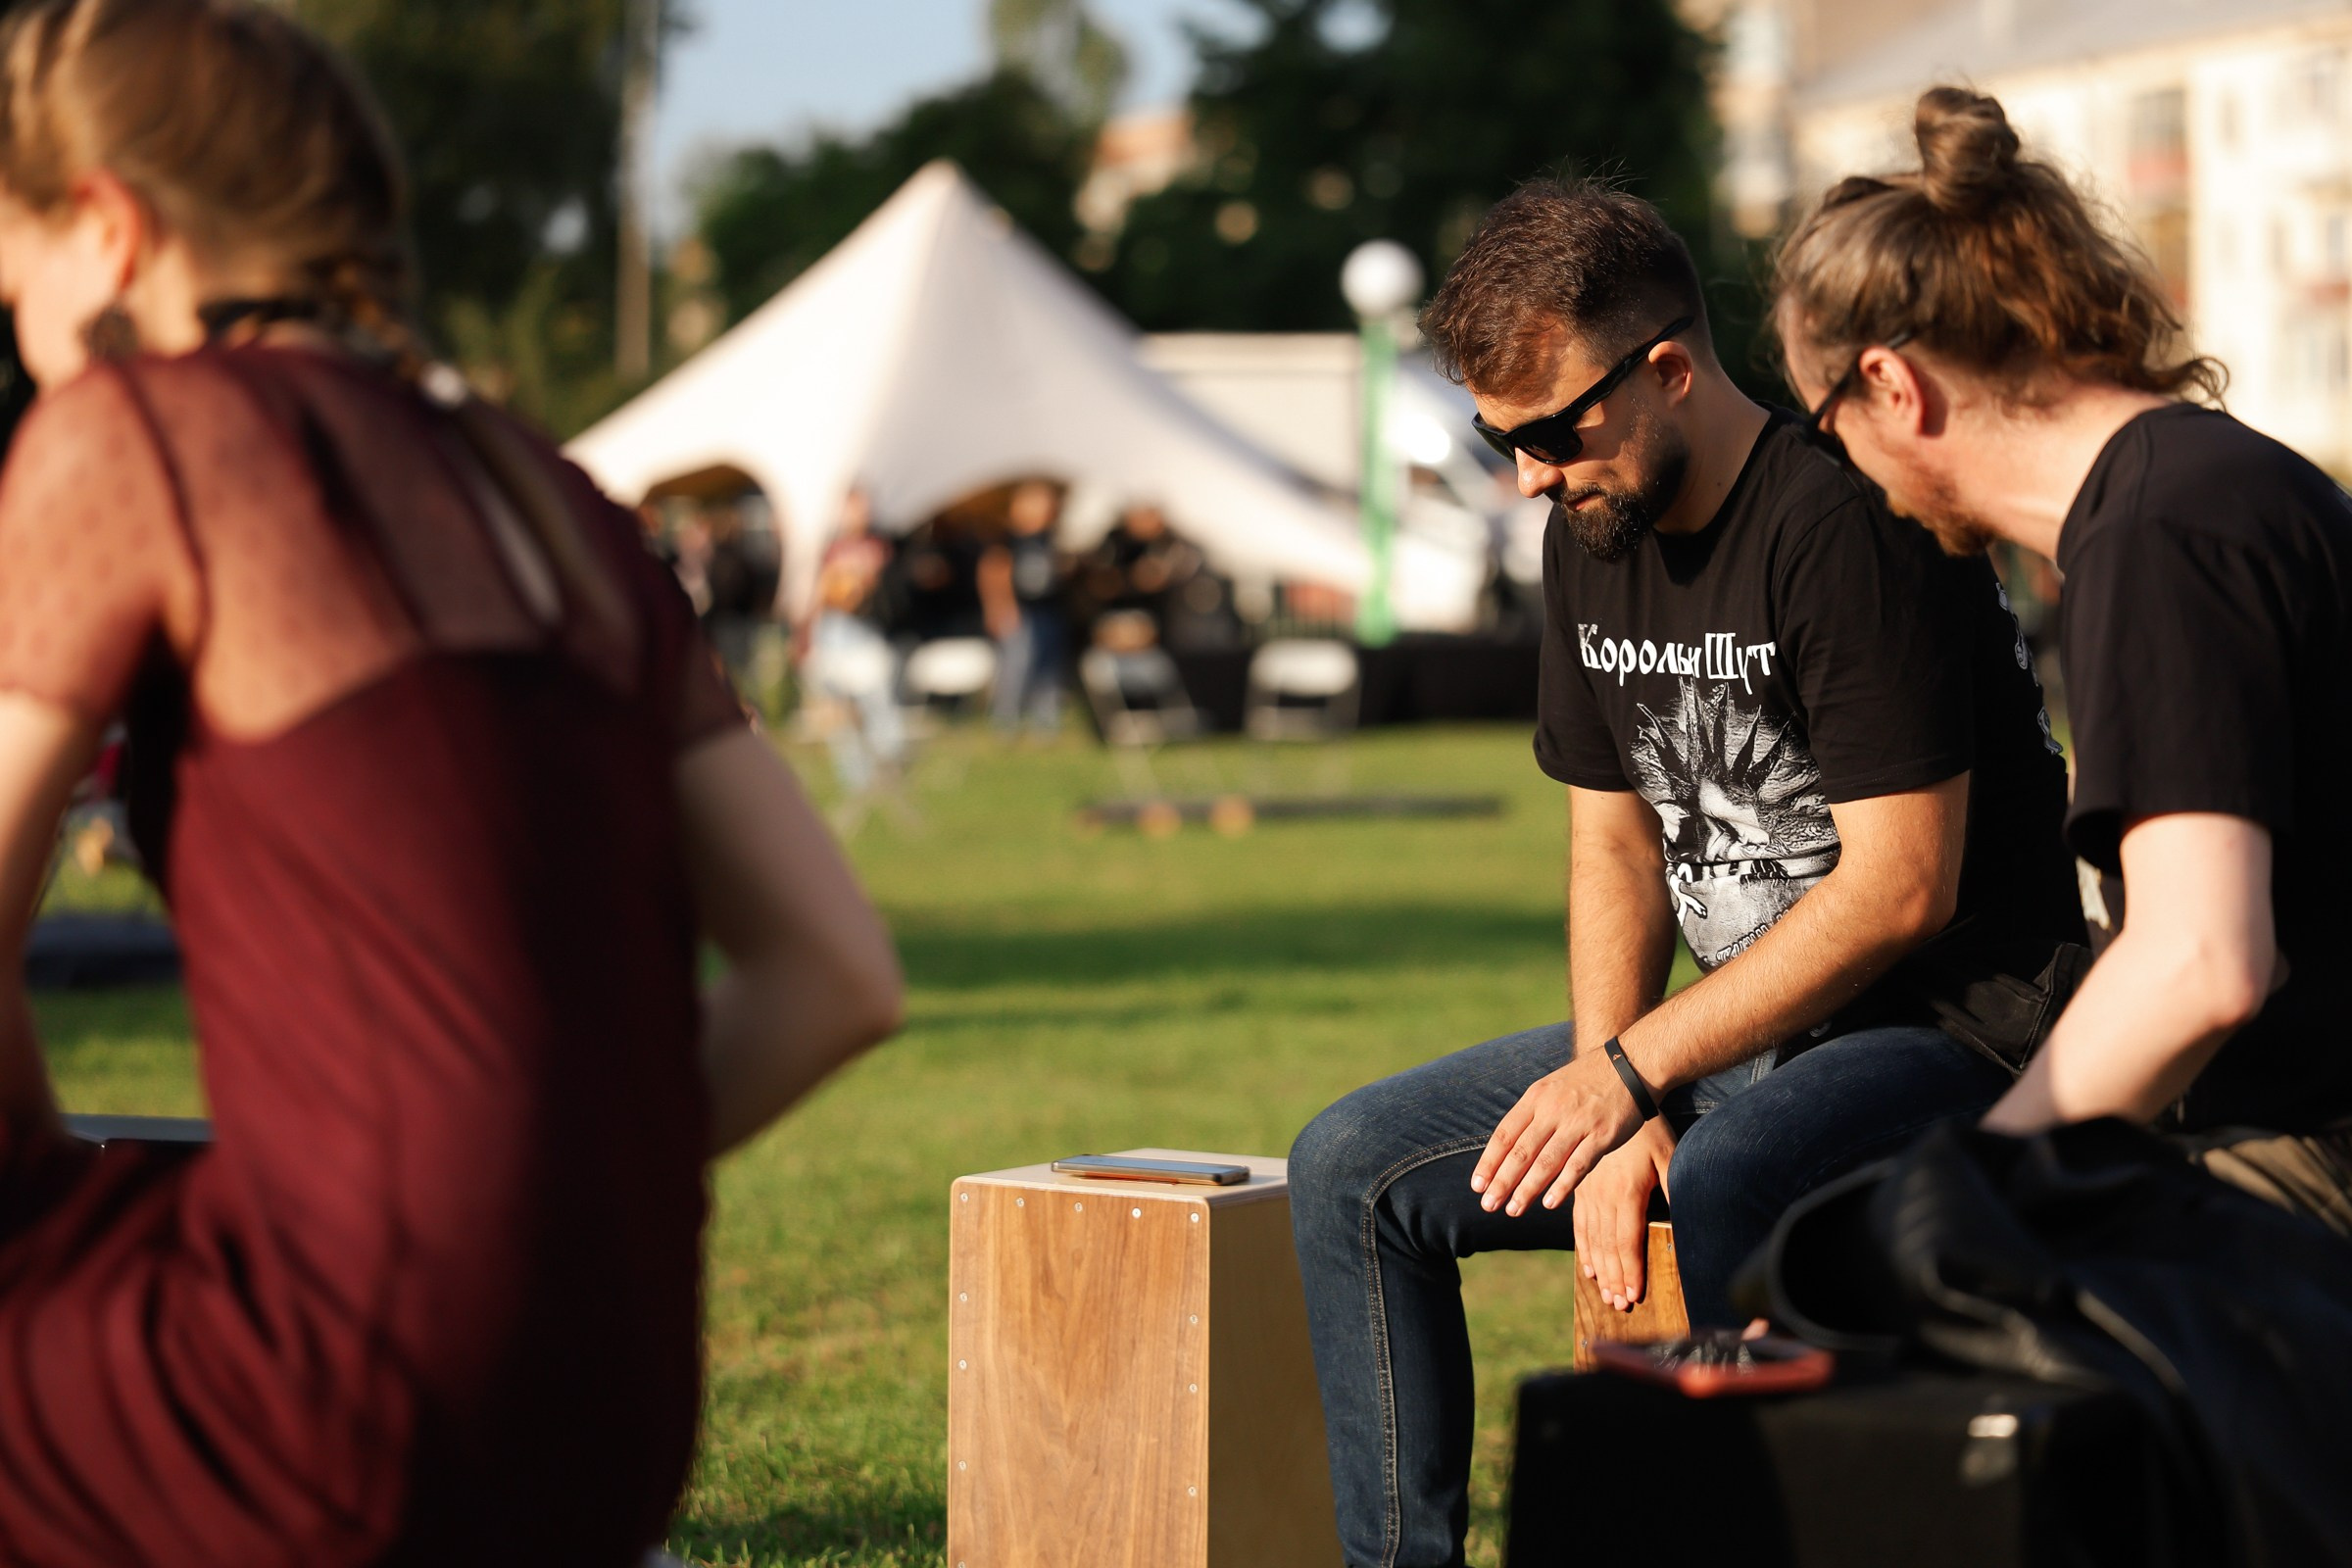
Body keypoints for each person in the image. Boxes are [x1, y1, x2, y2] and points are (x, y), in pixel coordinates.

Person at [0, 2, 903, 1564]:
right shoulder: (541, 489)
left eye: (11, 272)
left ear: (109, 225)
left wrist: (41, 1190)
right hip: (610, 1401)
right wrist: (540, 1207)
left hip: (320, 1397)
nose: (15, 322)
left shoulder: (141, 434)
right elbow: (835, 979)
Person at [1285, 178, 2084, 1568]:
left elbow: (1905, 887)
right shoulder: (1590, 528)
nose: (1527, 473)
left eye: (1548, 431)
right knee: (1352, 1169)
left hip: (1954, 1032)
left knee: (1735, 1171)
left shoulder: (1847, 523)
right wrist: (1616, 1072)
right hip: (1724, 1037)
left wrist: (1642, 1073)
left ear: (1666, 370)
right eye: (1498, 438)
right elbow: (1613, 835)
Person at [1776, 85, 2352, 1232]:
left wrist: (1973, 1186)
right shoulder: (2202, 485)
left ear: (1893, 385)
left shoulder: (2160, 535)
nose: (1852, 476)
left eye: (1828, 428)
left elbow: (2200, 963)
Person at [803, 488, 909, 798]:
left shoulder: (879, 547)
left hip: (864, 631)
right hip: (833, 632)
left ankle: (889, 764)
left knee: (877, 699)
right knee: (838, 708)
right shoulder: (827, 547)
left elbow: (861, 591)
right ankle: (856, 775)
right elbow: (824, 594)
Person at [980, 479, 1070, 735]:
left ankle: (1045, 721)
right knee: (1015, 665)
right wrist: (999, 607)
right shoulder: (1006, 537)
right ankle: (1006, 721)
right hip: (1018, 612)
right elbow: (993, 571)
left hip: (1048, 610)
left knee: (1048, 666)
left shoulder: (1052, 536)